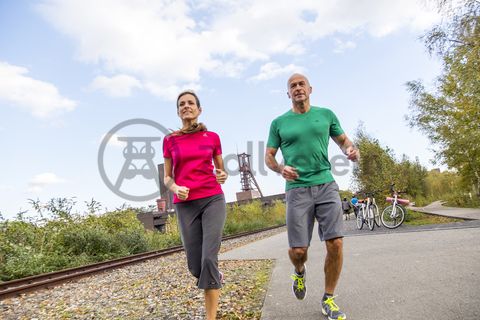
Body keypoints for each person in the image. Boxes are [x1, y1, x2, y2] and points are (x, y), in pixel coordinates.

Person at [265, 73, 359, 320]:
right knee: (298, 251)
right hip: (296, 190)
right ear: (288, 94)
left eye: (301, 84)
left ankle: (328, 299)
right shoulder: (279, 123)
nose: (297, 88)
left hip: (326, 184)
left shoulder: (325, 114)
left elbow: (343, 141)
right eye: (292, 86)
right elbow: (269, 157)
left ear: (310, 89)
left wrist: (350, 150)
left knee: (336, 243)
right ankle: (299, 270)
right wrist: (279, 168)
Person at [163, 90, 228, 320]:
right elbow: (167, 177)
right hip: (185, 204)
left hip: (212, 199)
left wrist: (222, 175)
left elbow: (221, 170)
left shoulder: (212, 137)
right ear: (178, 111)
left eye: (191, 103)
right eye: (182, 104)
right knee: (195, 267)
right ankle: (215, 277)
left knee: (209, 259)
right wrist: (175, 188)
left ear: (199, 109)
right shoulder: (170, 140)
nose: (186, 106)